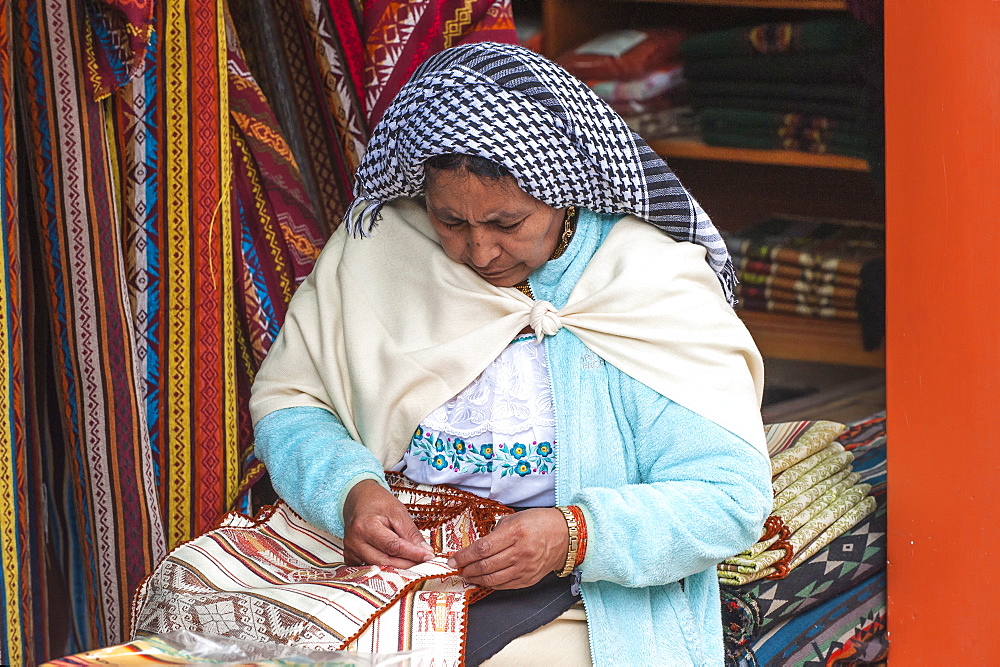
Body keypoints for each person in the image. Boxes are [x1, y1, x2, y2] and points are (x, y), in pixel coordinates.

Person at [249, 42, 772, 665]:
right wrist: (350, 491)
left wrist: (575, 534)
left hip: (587, 594)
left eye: (507, 223)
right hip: (389, 566)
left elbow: (727, 498)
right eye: (450, 222)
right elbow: (291, 403)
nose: (479, 252)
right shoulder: (383, 253)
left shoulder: (646, 281)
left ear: (566, 189)